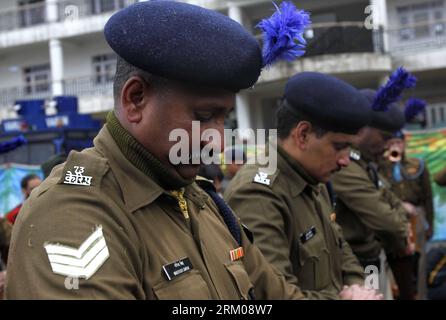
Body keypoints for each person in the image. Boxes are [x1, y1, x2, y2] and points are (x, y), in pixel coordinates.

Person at [5, 1, 312, 299]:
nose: (218, 142)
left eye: (224, 119)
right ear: (135, 98)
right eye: (203, 117)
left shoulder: (205, 203)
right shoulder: (69, 216)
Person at [224, 72, 382, 299]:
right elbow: (271, 294)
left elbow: (339, 247)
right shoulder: (258, 193)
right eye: (339, 147)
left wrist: (359, 287)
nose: (345, 160)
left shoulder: (311, 177)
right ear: (303, 135)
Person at [331, 85, 414, 299]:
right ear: (362, 129)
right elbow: (385, 219)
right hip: (354, 262)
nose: (388, 146)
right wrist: (402, 233)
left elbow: (393, 201)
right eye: (384, 137)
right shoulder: (346, 166)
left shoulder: (366, 165)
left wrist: (402, 229)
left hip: (369, 259)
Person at [379, 98, 433, 299]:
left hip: (417, 216)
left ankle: (419, 294)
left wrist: (430, 225)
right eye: (392, 142)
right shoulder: (380, 167)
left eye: (398, 142)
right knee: (397, 259)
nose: (395, 146)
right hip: (394, 215)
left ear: (404, 143)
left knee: (418, 259)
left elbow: (427, 196)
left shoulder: (416, 164)